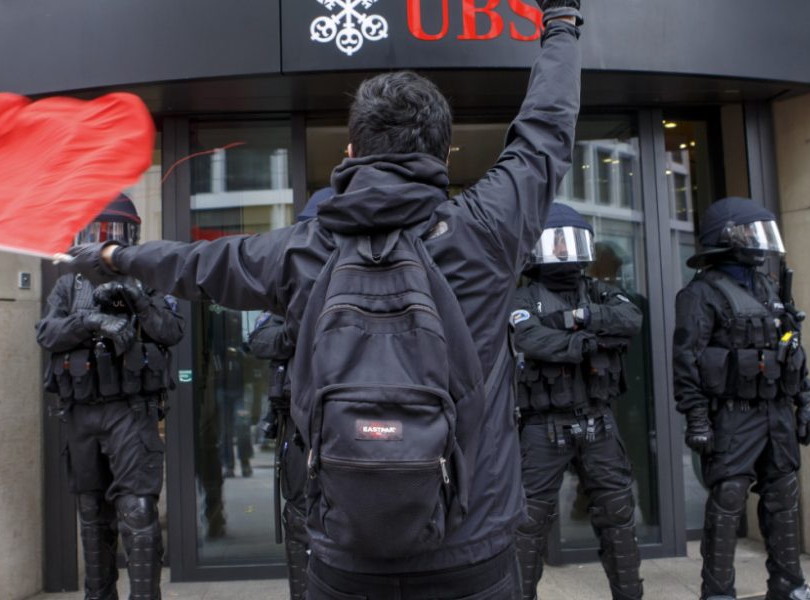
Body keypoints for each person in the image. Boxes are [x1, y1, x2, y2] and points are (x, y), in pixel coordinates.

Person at [63, 2, 581, 596]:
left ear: (351, 153)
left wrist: (115, 256)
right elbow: (546, 130)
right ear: (443, 157)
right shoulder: (486, 228)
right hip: (472, 551)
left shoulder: (302, 250)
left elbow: (194, 264)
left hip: (343, 558)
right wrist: (561, 24)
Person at [36, 194, 184, 600]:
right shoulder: (69, 285)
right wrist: (91, 321)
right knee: (92, 515)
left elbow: (171, 331)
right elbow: (47, 333)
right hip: (82, 412)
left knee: (137, 510)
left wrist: (139, 302)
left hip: (131, 412)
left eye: (113, 233)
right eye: (97, 233)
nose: (103, 241)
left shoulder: (147, 279)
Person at [674, 197, 810, 600]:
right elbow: (687, 363)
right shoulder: (701, 293)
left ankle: (789, 584)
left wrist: (804, 405)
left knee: (783, 498)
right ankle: (718, 592)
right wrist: (697, 418)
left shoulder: (768, 285)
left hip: (777, 411)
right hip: (733, 416)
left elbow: (793, 351)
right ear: (727, 237)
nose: (759, 240)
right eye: (750, 232)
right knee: (728, 501)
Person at [511, 203, 643, 600]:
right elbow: (529, 338)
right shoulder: (523, 297)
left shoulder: (598, 290)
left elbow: (630, 320)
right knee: (527, 525)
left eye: (570, 242)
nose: (563, 251)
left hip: (598, 421)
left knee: (618, 516)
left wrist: (579, 318)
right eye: (555, 243)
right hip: (543, 427)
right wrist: (586, 342)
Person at [243, 187, 332, 600]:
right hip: (299, 429)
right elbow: (259, 339)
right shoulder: (289, 293)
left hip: (348, 426)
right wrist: (299, 329)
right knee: (298, 519)